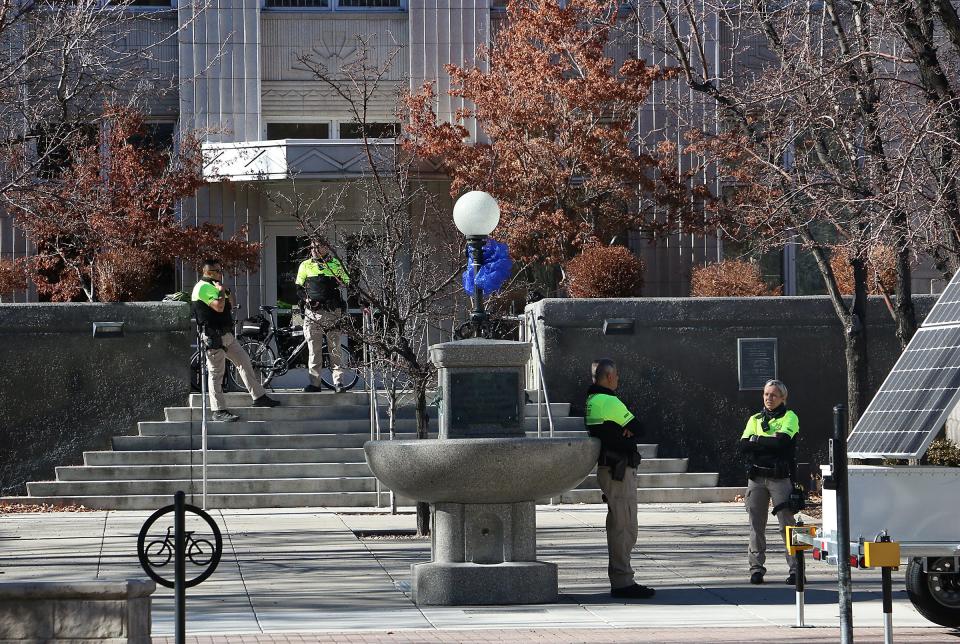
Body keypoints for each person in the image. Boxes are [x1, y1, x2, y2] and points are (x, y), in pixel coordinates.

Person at [585, 358, 656, 600]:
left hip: (610, 468)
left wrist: (625, 431)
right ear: (607, 377)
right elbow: (639, 427)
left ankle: (622, 578)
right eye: (615, 375)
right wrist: (628, 431)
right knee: (624, 528)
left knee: (620, 525)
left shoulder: (592, 400)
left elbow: (626, 430)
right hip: (618, 470)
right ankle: (623, 581)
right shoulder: (608, 400)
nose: (618, 379)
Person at [192, 258, 279, 421]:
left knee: (244, 362)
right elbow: (218, 306)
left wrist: (226, 292)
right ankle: (218, 411)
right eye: (215, 271)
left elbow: (231, 303)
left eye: (219, 270)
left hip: (227, 335)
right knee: (216, 373)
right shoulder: (202, 287)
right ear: (206, 272)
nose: (219, 273)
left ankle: (259, 397)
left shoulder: (215, 286)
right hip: (213, 336)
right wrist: (220, 292)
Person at [739, 379, 800, 585]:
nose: (769, 398)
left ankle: (796, 569)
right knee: (756, 526)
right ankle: (756, 568)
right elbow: (743, 446)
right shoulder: (755, 418)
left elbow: (783, 443)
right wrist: (767, 441)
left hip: (780, 478)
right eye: (766, 394)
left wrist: (757, 440)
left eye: (773, 395)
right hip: (756, 479)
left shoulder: (790, 417)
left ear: (783, 397)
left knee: (787, 526)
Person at [295, 241, 350, 393]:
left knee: (335, 349)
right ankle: (315, 384)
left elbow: (347, 282)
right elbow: (298, 289)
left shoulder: (335, 264)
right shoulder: (305, 265)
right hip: (313, 314)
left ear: (326, 247)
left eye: (317, 247)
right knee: (314, 350)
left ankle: (338, 383)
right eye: (311, 247)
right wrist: (307, 300)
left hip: (332, 312)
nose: (314, 250)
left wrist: (339, 279)